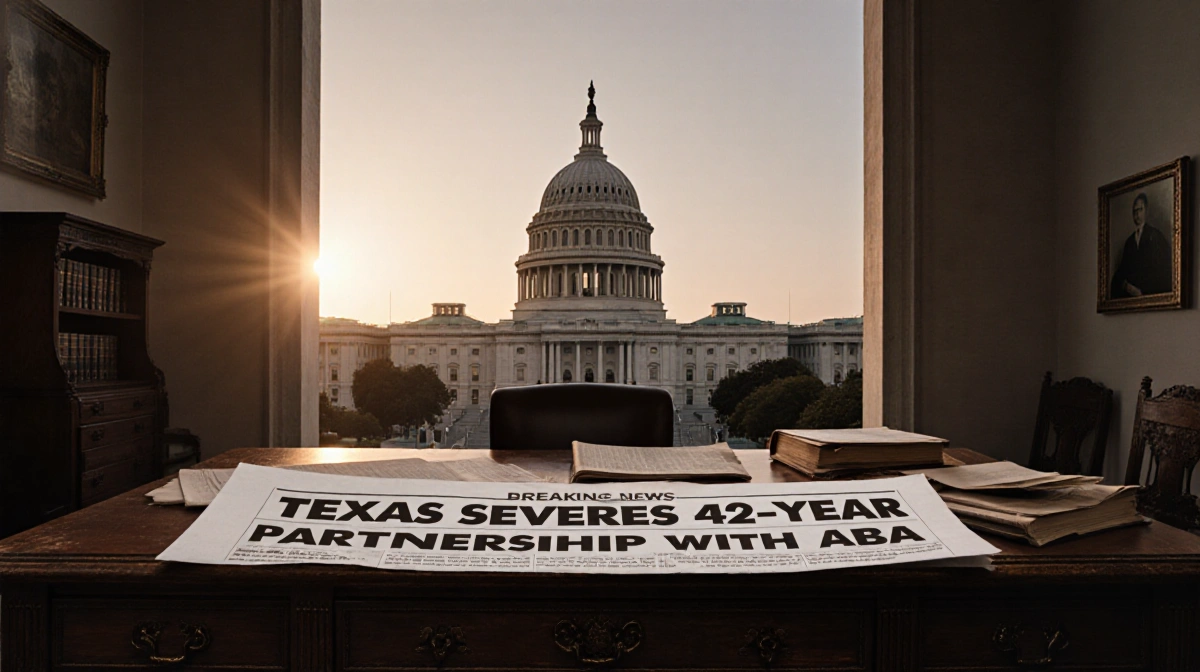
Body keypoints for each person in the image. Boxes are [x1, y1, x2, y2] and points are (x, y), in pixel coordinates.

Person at [1110, 192, 1172, 298]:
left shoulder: (1155, 236)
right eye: (1134, 211)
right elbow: (1123, 269)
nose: (1137, 214)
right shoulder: (1129, 242)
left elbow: (1162, 271)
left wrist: (1143, 291)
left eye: (1140, 210)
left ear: (1146, 211)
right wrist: (1125, 286)